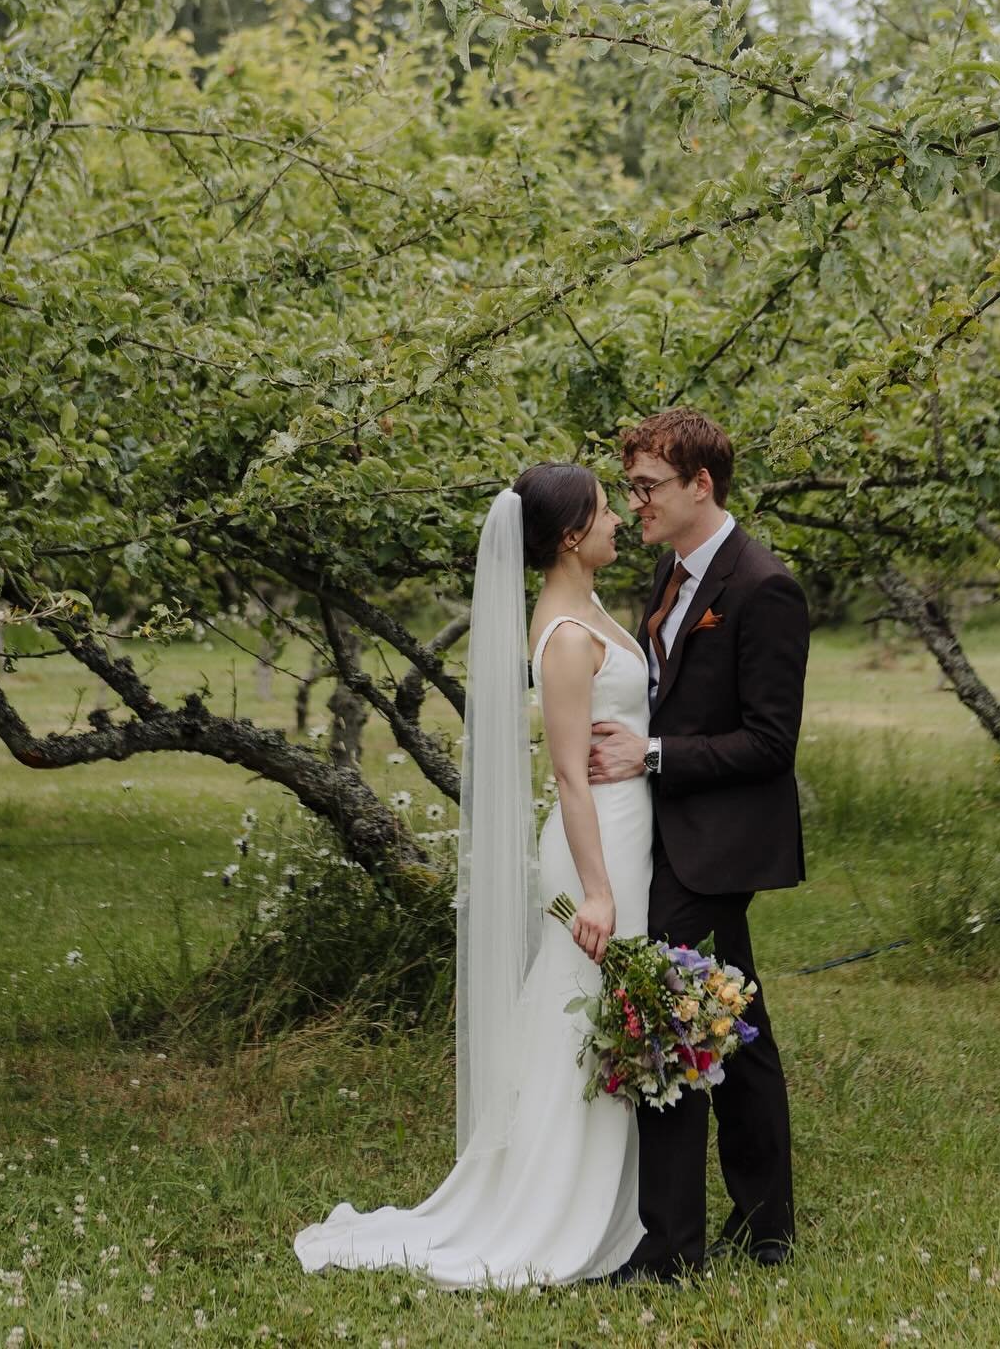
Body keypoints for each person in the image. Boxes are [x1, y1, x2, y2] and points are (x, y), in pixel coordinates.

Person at [293, 464, 652, 1287]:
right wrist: (595, 892)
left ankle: (622, 1201)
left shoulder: (592, 609)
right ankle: (560, 1207)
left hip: (630, 828)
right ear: (570, 536)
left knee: (606, 1010)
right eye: (605, 512)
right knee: (581, 1016)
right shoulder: (565, 636)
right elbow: (567, 775)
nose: (620, 523)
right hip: (594, 843)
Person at [587, 408, 810, 1284]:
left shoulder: (764, 587)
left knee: (668, 1015)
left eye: (647, 487)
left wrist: (653, 755)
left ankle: (671, 1248)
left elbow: (771, 741)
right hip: (665, 834)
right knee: (737, 1027)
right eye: (633, 487)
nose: (635, 502)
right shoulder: (668, 574)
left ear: (700, 486)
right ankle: (767, 1227)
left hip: (718, 844)